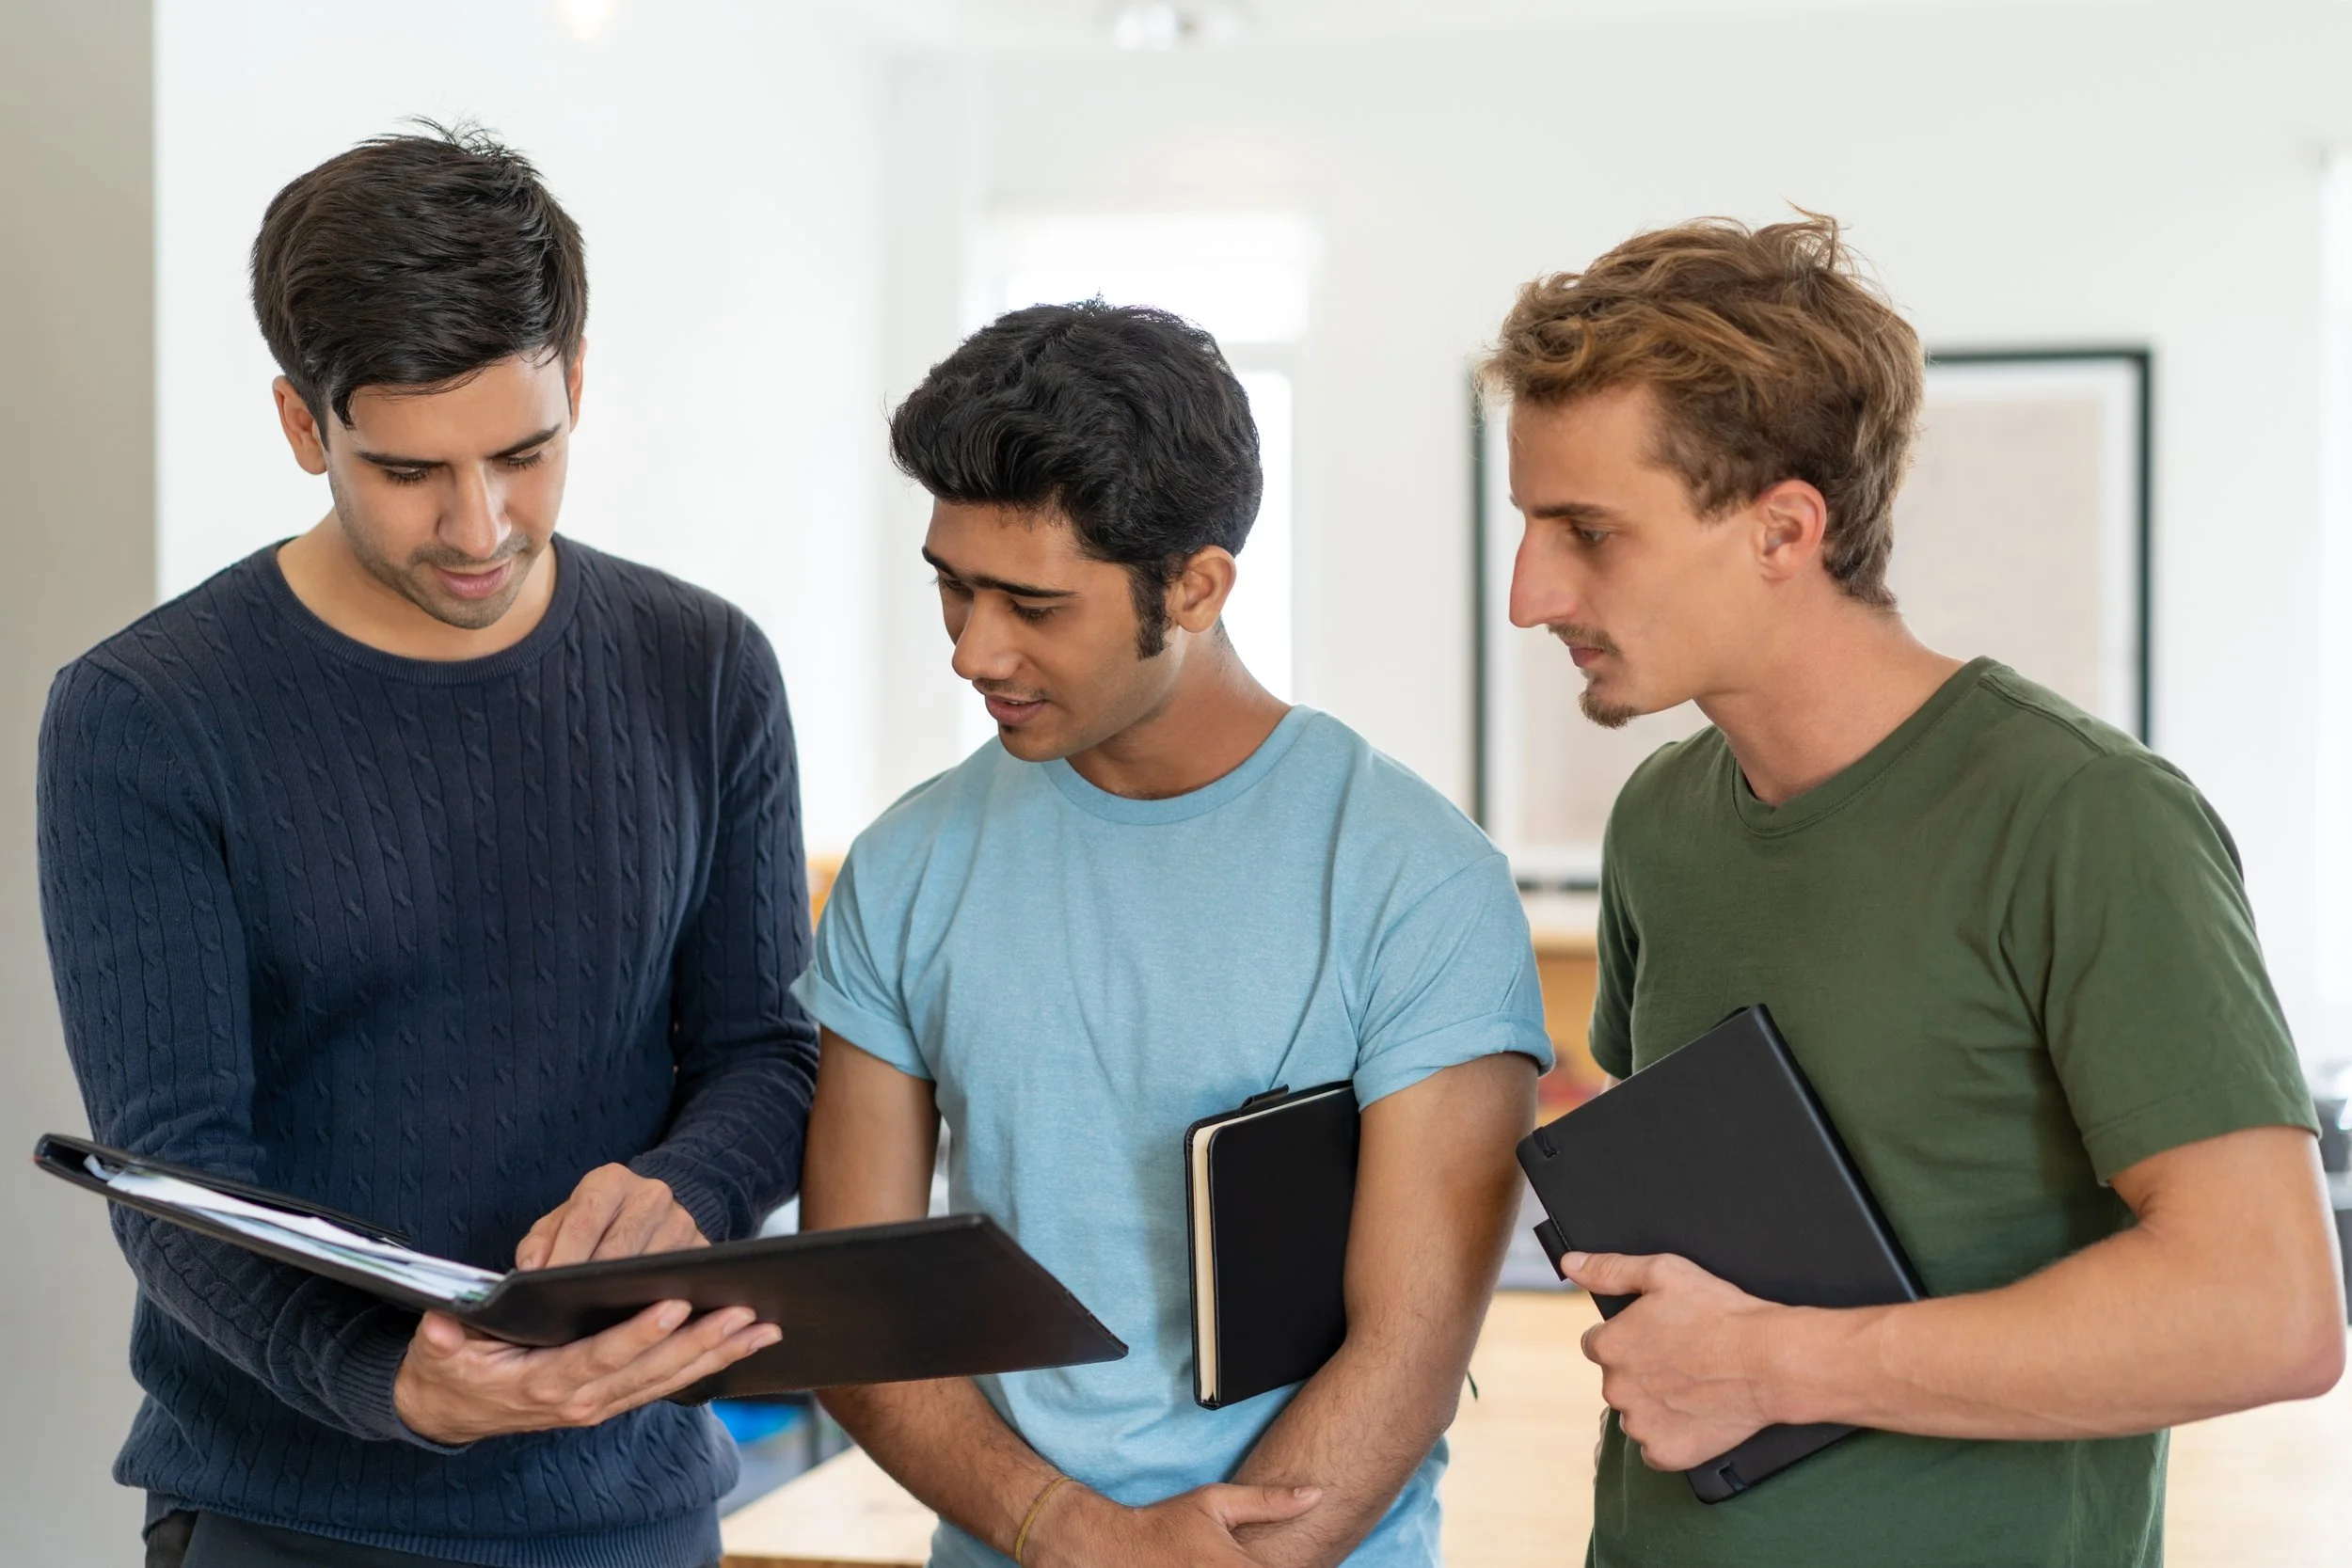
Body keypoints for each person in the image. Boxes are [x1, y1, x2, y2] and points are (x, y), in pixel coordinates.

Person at [1487, 214, 2345, 1567]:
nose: (1532, 593)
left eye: (1589, 531)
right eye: (1531, 526)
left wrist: (1782, 1367)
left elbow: (2270, 1311)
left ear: (1784, 527)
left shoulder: (2087, 819)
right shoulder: (1661, 821)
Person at [37, 125, 817, 1568]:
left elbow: (767, 1054)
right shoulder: (141, 715)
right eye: (407, 470)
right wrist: (396, 1381)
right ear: (299, 424)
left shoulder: (707, 668)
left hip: (630, 1505)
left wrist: (688, 1185)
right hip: (286, 1516)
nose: (480, 525)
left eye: (525, 452)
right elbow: (174, 1174)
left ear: (577, 380)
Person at [792, 301, 1553, 1568]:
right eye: (953, 586)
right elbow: (855, 1312)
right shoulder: (909, 866)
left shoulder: (1416, 878)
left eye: (1034, 604)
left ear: (1196, 586)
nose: (976, 648)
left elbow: (1408, 1354)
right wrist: (1067, 1530)